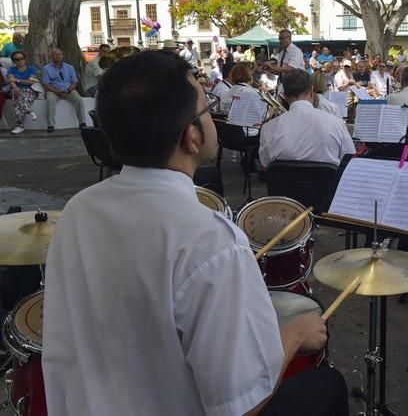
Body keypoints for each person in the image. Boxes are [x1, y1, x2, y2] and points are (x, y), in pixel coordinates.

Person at [42, 51, 348, 416]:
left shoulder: (79, 209)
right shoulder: (210, 242)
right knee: (328, 384)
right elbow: (242, 405)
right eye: (208, 109)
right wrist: (297, 335)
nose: (213, 117)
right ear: (191, 135)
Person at [259, 69, 355, 166]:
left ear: (285, 96)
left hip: (284, 180)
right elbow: (349, 159)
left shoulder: (268, 128)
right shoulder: (336, 123)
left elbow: (265, 164)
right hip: (326, 181)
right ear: (312, 91)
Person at [42, 48, 85, 133]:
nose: (58, 56)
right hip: (53, 90)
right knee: (50, 100)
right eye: (55, 54)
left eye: (59, 54)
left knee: (79, 100)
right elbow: (46, 84)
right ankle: (50, 125)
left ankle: (82, 122)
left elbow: (75, 82)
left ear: (62, 56)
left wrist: (68, 90)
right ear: (51, 56)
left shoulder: (70, 67)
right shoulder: (46, 68)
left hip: (69, 90)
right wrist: (56, 91)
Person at [7, 51, 39, 134]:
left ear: (25, 59)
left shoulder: (31, 69)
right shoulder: (11, 69)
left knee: (18, 101)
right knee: (17, 97)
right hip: (16, 90)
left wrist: (17, 80)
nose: (20, 60)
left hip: (31, 90)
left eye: (22, 58)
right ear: (14, 61)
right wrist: (15, 87)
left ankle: (19, 126)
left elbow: (31, 82)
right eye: (17, 59)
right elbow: (11, 80)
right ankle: (28, 110)